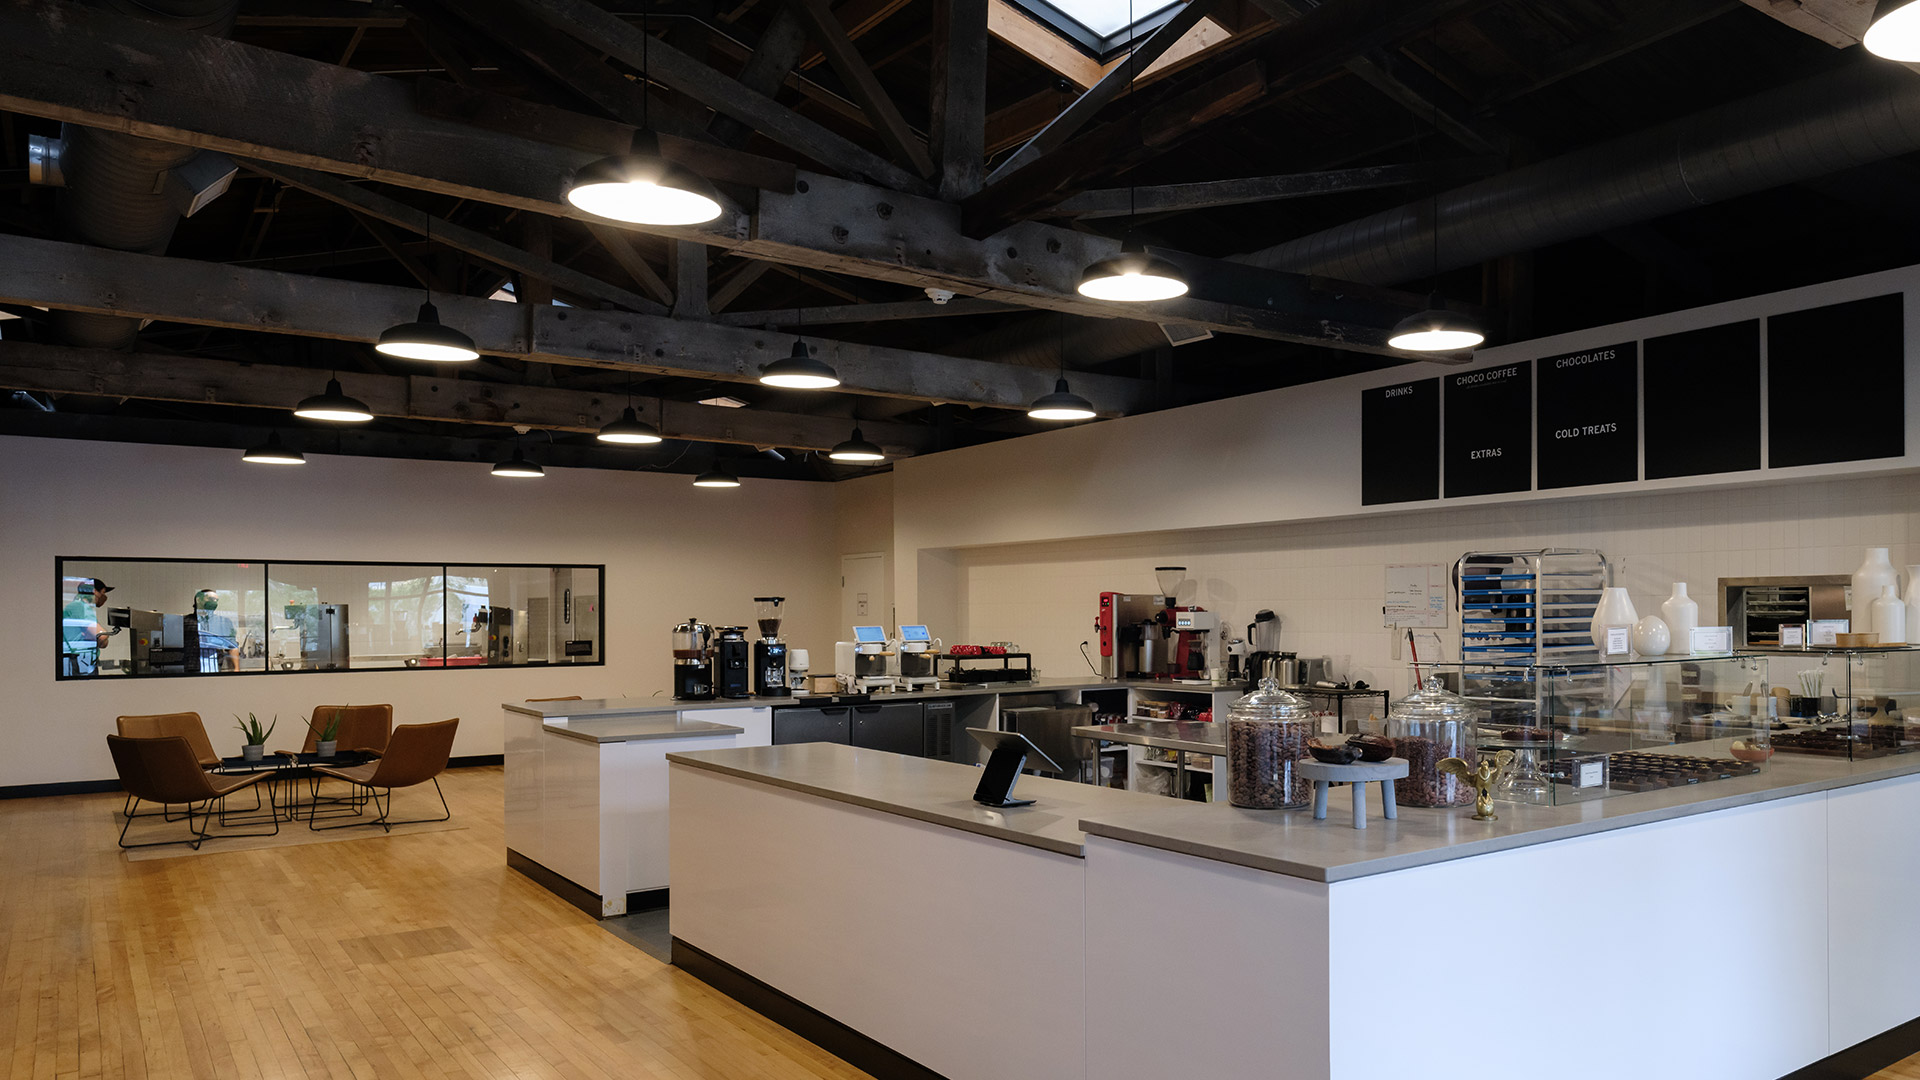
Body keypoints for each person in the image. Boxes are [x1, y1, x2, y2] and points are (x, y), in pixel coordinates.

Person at [61, 578, 114, 676]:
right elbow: (102, 636)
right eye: (102, 593)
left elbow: (100, 640)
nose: (104, 597)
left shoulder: (75, 606)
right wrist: (104, 636)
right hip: (79, 663)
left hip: (78, 662)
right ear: (94, 591)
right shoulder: (80, 607)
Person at [193, 588, 240, 673]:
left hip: (215, 671)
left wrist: (236, 669)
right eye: (211, 599)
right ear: (198, 600)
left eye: (216, 600)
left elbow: (232, 647)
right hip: (191, 672)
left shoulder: (224, 622)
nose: (214, 602)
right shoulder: (186, 621)